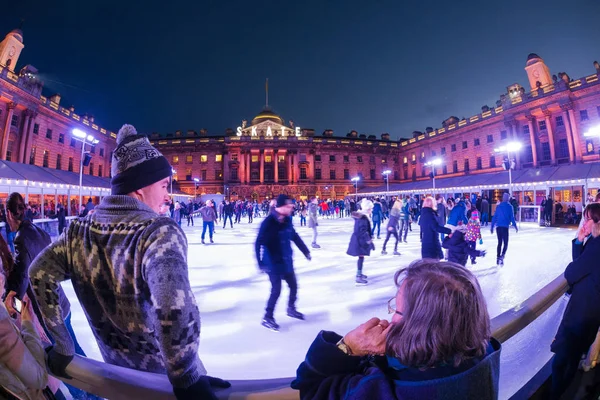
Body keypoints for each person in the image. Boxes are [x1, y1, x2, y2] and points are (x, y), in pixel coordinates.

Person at [28, 124, 229, 399]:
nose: (168, 195)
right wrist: (187, 378)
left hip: (119, 383)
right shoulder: (158, 233)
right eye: (163, 185)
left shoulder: (78, 231)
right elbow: (173, 309)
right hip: (166, 387)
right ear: (140, 188)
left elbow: (39, 273)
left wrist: (63, 345)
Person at [291, 259, 501, 400]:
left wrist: (348, 347)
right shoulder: (485, 353)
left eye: (398, 309)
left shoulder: (386, 388)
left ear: (418, 324)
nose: (391, 316)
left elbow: (310, 388)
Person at [551, 203, 600, 398]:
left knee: (562, 362)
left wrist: (582, 243)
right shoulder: (594, 243)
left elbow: (572, 273)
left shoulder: (597, 247)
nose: (584, 222)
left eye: (588, 218)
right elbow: (581, 264)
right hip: (589, 311)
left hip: (583, 312)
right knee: (569, 358)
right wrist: (579, 240)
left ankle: (556, 396)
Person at [255, 194, 311, 332]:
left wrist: (305, 251)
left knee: (294, 286)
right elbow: (258, 242)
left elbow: (294, 236)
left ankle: (291, 308)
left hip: (286, 261)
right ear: (282, 207)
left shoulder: (287, 220)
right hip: (273, 263)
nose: (292, 208)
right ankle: (267, 317)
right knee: (276, 290)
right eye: (289, 206)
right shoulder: (268, 222)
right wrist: (260, 262)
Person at [347, 198, 374, 286]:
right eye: (370, 209)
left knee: (361, 257)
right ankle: (358, 276)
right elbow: (362, 231)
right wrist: (369, 241)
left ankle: (359, 273)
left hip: (360, 240)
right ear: (366, 209)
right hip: (360, 241)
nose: (371, 210)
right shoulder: (362, 218)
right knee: (361, 257)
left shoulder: (363, 216)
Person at [490, 192, 518, 267]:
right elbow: (512, 218)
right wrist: (515, 226)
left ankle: (498, 257)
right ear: (508, 198)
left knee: (499, 243)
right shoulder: (510, 207)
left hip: (498, 227)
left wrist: (492, 226)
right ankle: (502, 256)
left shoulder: (499, 206)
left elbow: (495, 217)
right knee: (505, 243)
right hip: (505, 228)